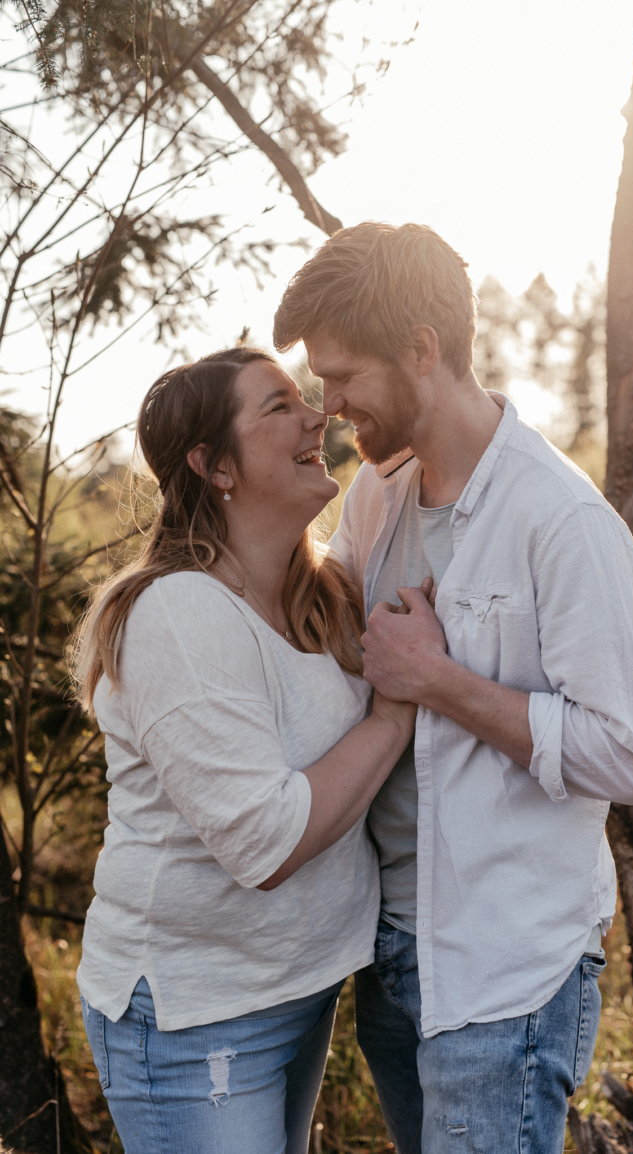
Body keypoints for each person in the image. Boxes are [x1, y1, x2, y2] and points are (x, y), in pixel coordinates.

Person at [272, 222, 633, 1154]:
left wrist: (440, 682)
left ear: (422, 349)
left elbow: (630, 753)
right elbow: (336, 634)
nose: (329, 406)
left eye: (344, 376)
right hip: (393, 947)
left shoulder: (563, 523)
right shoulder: (379, 493)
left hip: (504, 971)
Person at [73, 346, 415, 1154]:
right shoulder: (178, 615)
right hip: (197, 1014)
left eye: (307, 399)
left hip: (298, 990)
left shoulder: (320, 594)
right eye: (277, 406)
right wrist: (393, 717)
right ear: (213, 464)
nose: (316, 415)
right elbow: (265, 841)